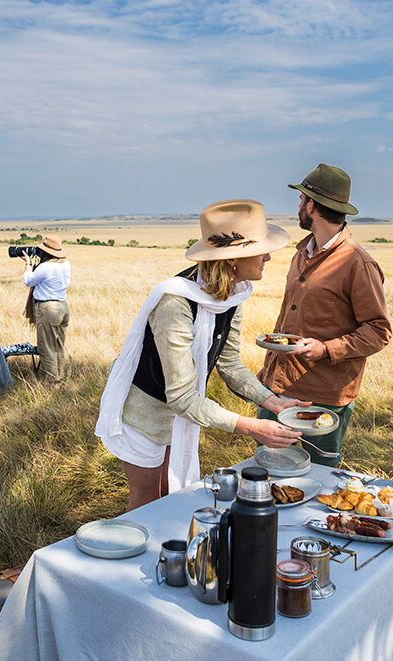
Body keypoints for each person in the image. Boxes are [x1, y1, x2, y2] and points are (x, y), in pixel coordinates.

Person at [97, 200, 311, 510]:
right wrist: (252, 427)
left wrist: (274, 404)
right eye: (261, 249)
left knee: (170, 499)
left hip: (182, 412)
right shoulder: (176, 303)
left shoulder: (234, 292)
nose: (268, 256)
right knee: (147, 503)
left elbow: (228, 362)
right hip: (146, 416)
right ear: (233, 259)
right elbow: (182, 397)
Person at [256, 164, 392, 464]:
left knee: (318, 480)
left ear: (312, 206)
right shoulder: (301, 253)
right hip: (277, 387)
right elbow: (288, 320)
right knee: (267, 470)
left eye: (301, 200)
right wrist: (268, 371)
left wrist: (326, 349)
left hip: (323, 396)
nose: (299, 207)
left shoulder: (358, 264)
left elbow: (379, 331)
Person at [20, 236, 70, 386]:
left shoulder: (46, 267)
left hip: (48, 309)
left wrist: (28, 265)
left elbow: (28, 280)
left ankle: (52, 383)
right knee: (58, 345)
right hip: (63, 307)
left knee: (46, 347)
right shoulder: (66, 264)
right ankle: (61, 378)